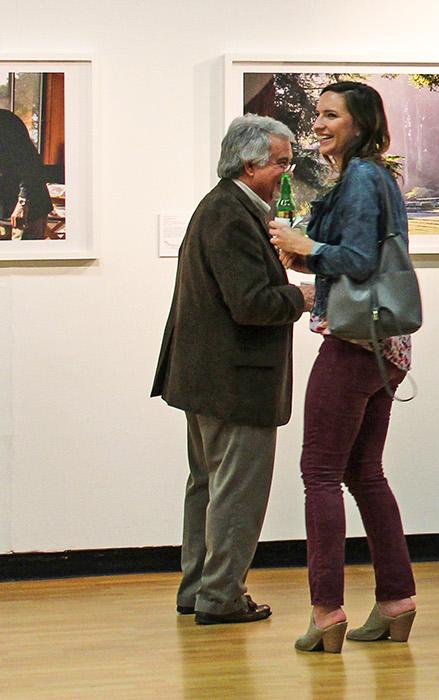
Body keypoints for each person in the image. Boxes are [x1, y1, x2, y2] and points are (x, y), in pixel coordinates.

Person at [268, 81, 420, 652]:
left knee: (320, 474)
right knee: (365, 473)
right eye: (319, 113)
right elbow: (355, 256)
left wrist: (307, 250)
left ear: (360, 123)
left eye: (332, 115)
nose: (320, 122)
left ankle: (326, 611)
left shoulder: (359, 177)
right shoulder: (371, 177)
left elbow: (356, 260)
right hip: (385, 345)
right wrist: (308, 250)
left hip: (355, 343)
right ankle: (396, 600)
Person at [152, 115, 311, 624]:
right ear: (250, 164)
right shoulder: (232, 215)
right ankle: (220, 597)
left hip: (204, 377)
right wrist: (301, 296)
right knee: (236, 492)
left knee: (207, 485)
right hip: (234, 381)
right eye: (281, 163)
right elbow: (251, 304)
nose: (288, 174)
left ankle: (199, 587)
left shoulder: (224, 207)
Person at [0, 109, 53, 240]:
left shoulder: (6, 122)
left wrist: (22, 203)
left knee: (24, 256)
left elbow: (30, 164)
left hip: (28, 206)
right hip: (4, 207)